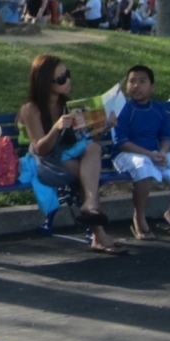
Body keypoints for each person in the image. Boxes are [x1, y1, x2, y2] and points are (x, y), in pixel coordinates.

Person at [17, 54, 127, 255]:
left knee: (94, 148)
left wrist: (104, 126)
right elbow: (40, 149)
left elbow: (84, 138)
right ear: (44, 82)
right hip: (47, 161)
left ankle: (91, 208)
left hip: (68, 154)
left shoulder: (67, 104)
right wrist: (56, 127)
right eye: (60, 79)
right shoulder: (30, 108)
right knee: (89, 176)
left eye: (67, 75)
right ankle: (99, 235)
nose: (67, 81)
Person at [113, 65, 170, 239]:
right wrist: (150, 155)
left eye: (142, 82)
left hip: (154, 153)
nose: (136, 86)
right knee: (144, 168)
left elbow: (166, 136)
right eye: (132, 81)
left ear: (152, 87)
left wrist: (163, 152)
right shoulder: (123, 108)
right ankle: (139, 219)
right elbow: (122, 143)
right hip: (127, 155)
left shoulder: (158, 109)